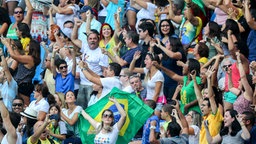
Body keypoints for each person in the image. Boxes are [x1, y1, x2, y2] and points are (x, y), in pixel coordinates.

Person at [71, 28, 109, 108]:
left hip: (93, 86)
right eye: (90, 39)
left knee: (91, 109)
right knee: (80, 109)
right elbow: (73, 39)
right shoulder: (85, 47)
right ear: (87, 40)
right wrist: (76, 26)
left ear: (98, 40)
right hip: (82, 84)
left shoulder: (102, 52)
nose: (92, 40)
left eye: (95, 38)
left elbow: (104, 72)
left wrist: (101, 87)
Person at [1, 37, 41, 106]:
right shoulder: (28, 57)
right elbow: (18, 55)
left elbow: (14, 56)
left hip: (24, 85)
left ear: (32, 48)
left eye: (28, 45)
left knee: (24, 105)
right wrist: (13, 45)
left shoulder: (30, 58)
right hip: (22, 84)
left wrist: (7, 45)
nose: (26, 45)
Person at [192, 66, 223, 144]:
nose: (201, 107)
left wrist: (209, 79)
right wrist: (194, 80)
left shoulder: (215, 114)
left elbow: (211, 97)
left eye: (203, 106)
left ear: (209, 108)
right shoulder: (206, 116)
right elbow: (199, 97)